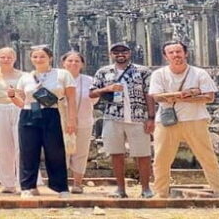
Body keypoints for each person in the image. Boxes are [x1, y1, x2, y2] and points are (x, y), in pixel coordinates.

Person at [149, 41, 219, 199]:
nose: (176, 55)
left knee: (207, 157)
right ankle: (161, 192)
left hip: (195, 119)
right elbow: (156, 97)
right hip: (167, 120)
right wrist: (189, 94)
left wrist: (176, 96)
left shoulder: (199, 73)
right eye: (171, 53)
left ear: (186, 53)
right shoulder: (159, 74)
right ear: (165, 56)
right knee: (161, 158)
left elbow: (209, 97)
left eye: (178, 51)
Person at [89, 42, 155, 199]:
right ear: (111, 54)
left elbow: (149, 94)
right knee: (116, 153)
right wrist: (107, 89)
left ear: (129, 53)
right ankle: (120, 189)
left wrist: (151, 117)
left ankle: (146, 188)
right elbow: (92, 93)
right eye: (116, 52)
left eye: (123, 51)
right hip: (113, 117)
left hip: (138, 116)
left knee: (143, 154)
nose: (120, 54)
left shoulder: (142, 71)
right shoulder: (103, 72)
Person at [9, 45, 77, 198]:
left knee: (55, 151)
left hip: (52, 113)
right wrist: (12, 96)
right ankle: (28, 186)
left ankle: (60, 187)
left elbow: (71, 99)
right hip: (29, 113)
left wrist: (72, 120)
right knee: (28, 151)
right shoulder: (25, 77)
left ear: (50, 58)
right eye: (35, 57)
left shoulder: (62, 74)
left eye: (42, 57)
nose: (38, 60)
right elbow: (21, 102)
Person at [61, 51, 99, 194]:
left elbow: (94, 99)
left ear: (82, 64)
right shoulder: (58, 79)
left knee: (81, 152)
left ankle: (77, 183)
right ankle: (61, 184)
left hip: (84, 120)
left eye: (77, 61)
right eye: (69, 61)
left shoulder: (89, 80)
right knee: (61, 152)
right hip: (60, 122)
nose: (73, 63)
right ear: (63, 63)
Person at [0, 47, 24, 194]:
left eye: (9, 57)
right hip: (0, 110)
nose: (6, 60)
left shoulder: (24, 75)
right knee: (4, 147)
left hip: (19, 109)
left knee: (21, 146)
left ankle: (24, 181)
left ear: (14, 58)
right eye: (2, 57)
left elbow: (28, 93)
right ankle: (7, 182)